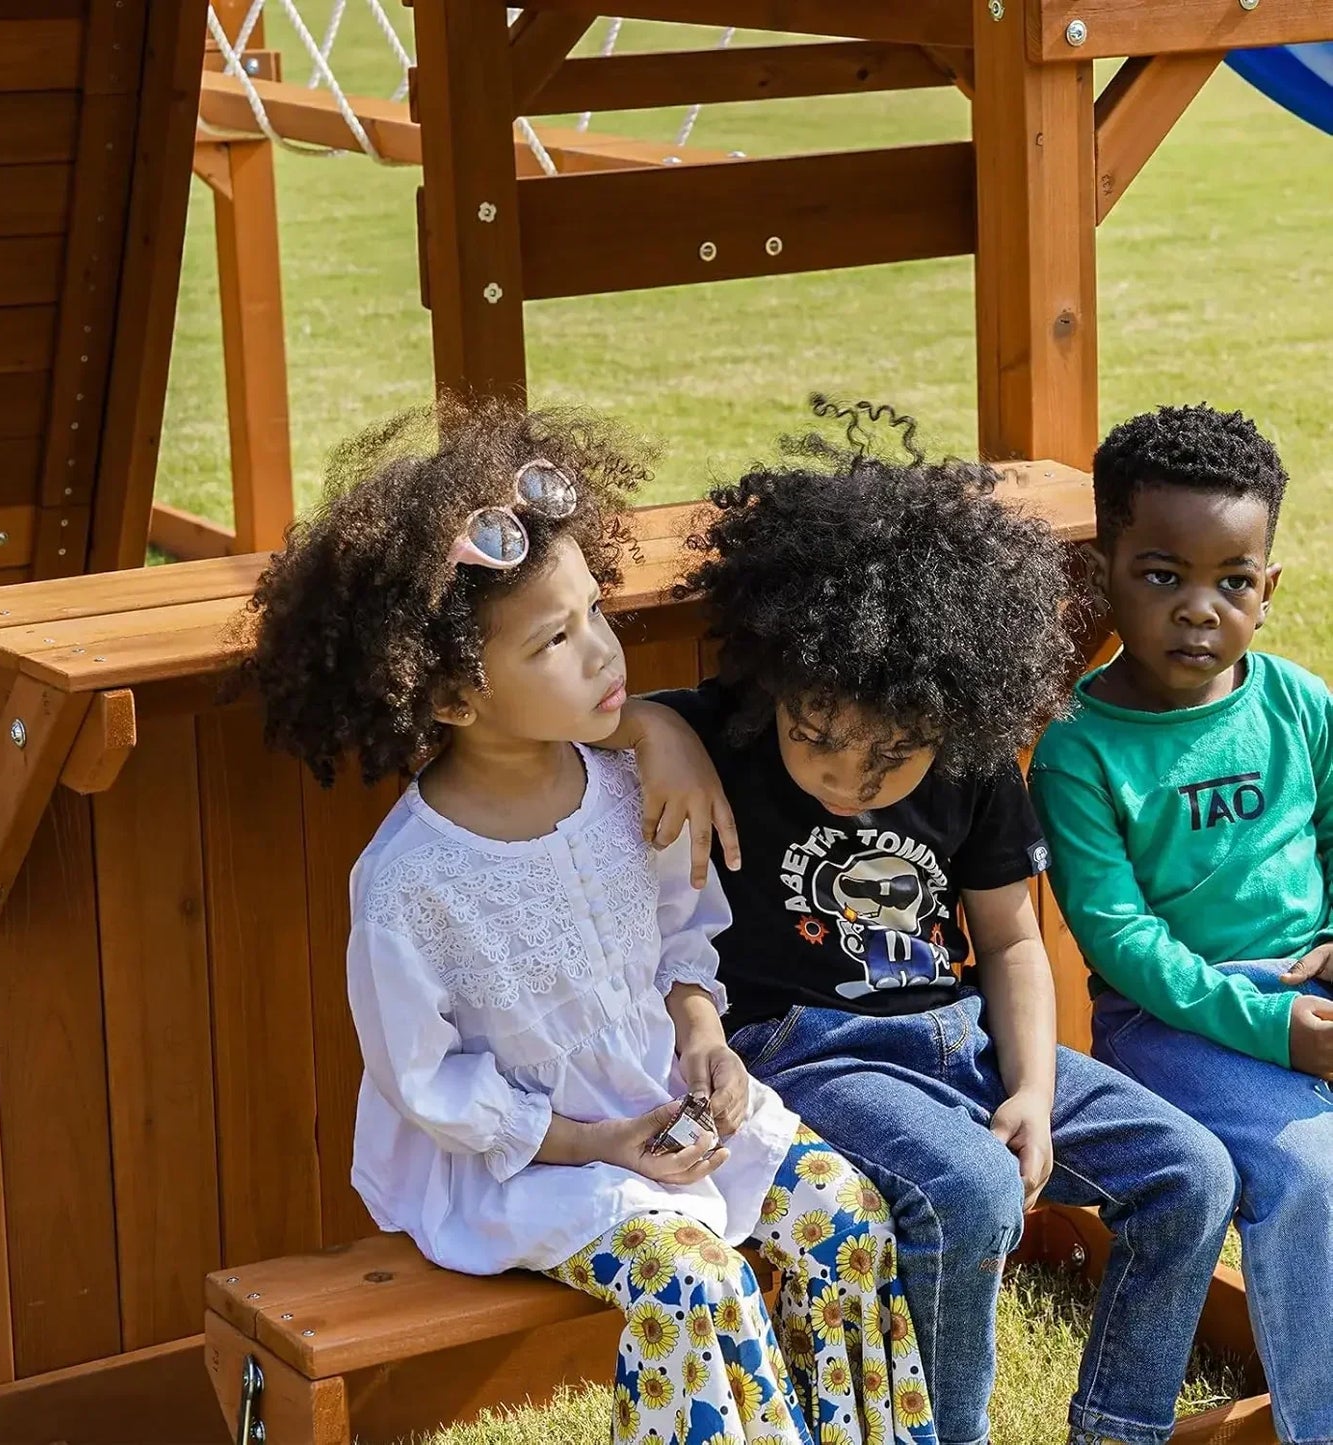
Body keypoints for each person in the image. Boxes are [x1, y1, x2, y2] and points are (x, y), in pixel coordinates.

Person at [242, 401, 938, 1445]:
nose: (603, 652)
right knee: (694, 1278)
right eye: (555, 640)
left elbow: (681, 935)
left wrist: (701, 1037)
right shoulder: (408, 882)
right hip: (524, 1166)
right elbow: (429, 1087)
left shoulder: (624, 784)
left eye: (595, 612)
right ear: (452, 695)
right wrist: (598, 1142)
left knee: (846, 1218)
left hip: (660, 1109)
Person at [611, 402, 1238, 1445]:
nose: (849, 779)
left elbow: (1011, 941)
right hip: (808, 1050)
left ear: (955, 713)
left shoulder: (972, 761)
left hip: (962, 1038)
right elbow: (588, 719)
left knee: (1192, 1171)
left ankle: (1116, 1431)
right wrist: (653, 726)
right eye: (816, 736)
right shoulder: (724, 731)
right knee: (972, 1189)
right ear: (773, 678)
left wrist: (1031, 1090)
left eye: (891, 757)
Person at [1030, 403, 1333, 1445]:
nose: (1198, 610)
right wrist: (1275, 1028)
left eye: (1231, 582)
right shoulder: (1079, 748)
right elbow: (1120, 939)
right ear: (1103, 577)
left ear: (1268, 590)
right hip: (1171, 1022)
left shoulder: (1297, 703)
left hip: (1308, 983)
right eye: (1162, 575)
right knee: (1311, 1174)